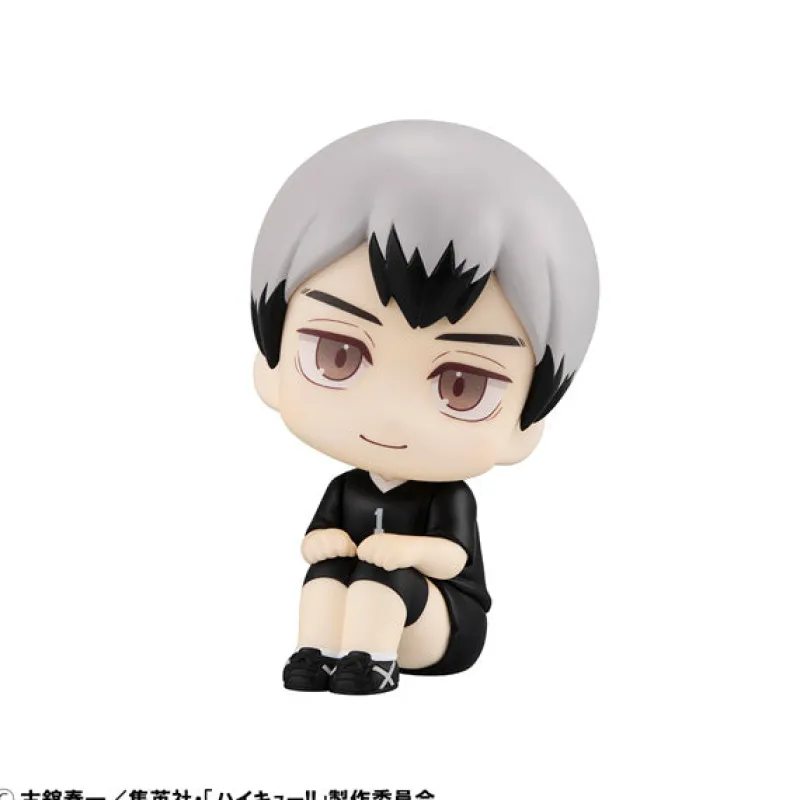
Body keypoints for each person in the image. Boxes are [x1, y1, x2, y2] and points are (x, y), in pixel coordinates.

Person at [250, 120, 599, 694]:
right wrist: (324, 544)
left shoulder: (448, 498)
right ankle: (316, 654)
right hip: (365, 594)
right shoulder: (346, 489)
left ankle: (375, 662)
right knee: (327, 573)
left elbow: (453, 561)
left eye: (463, 386)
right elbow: (314, 541)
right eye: (338, 355)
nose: (392, 411)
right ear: (271, 365)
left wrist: (402, 550)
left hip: (444, 623)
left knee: (384, 581)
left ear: (524, 425)